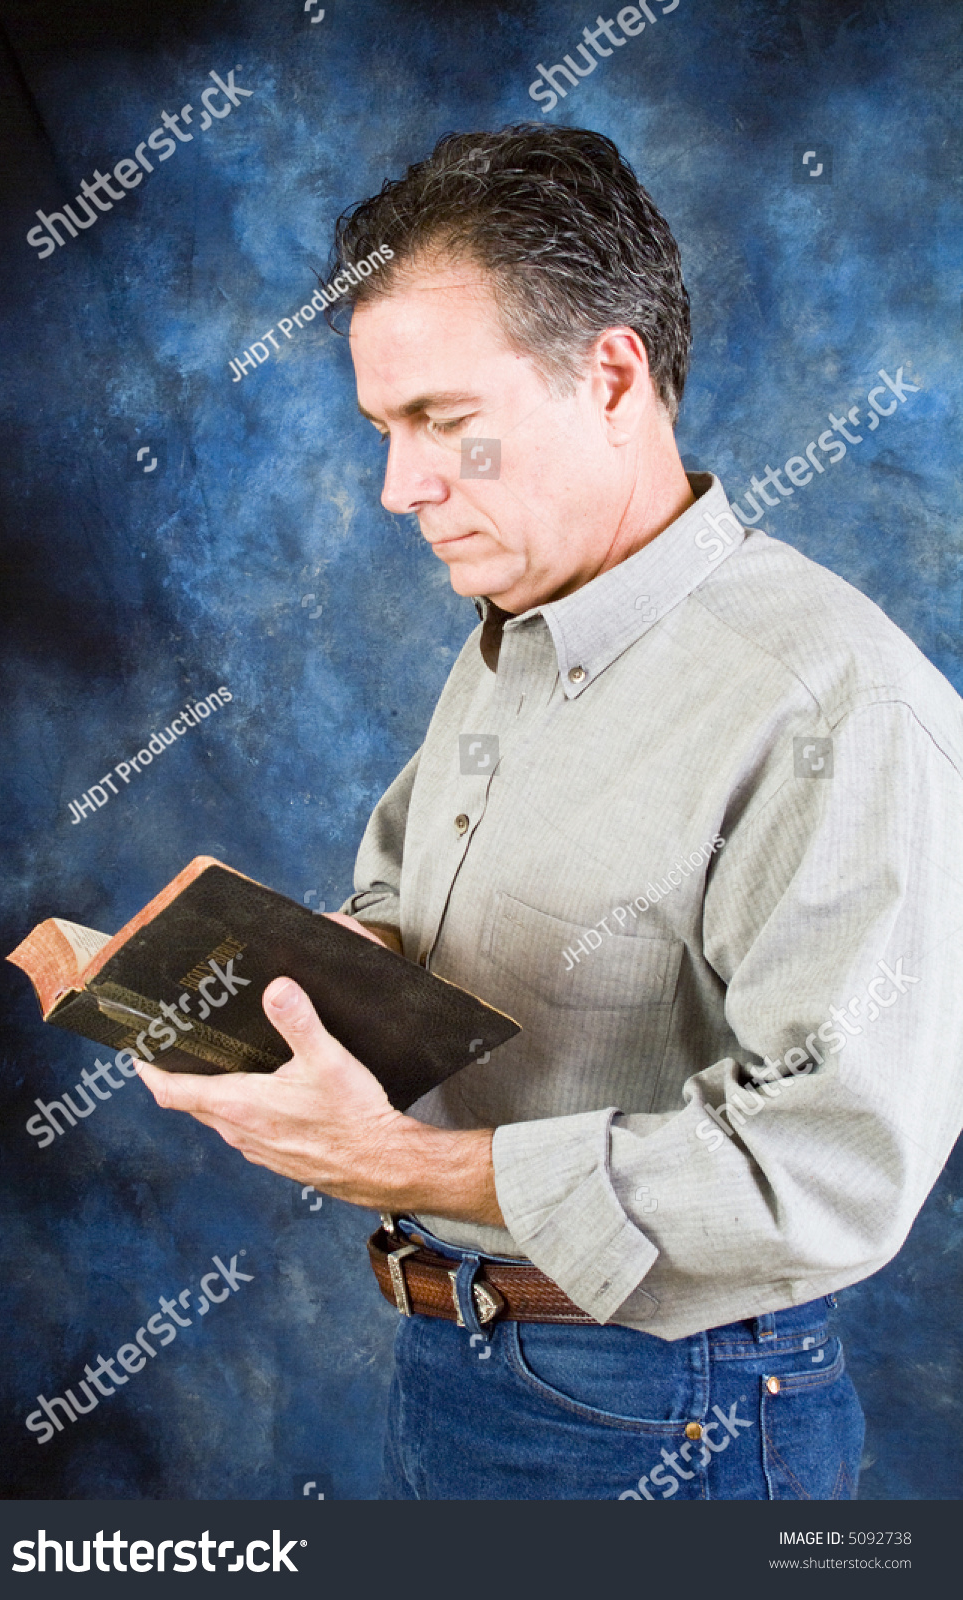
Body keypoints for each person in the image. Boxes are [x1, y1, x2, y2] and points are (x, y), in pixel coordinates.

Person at [137, 125, 963, 1501]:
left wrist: (399, 1160)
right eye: (384, 433)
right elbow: (418, 906)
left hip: (674, 1423)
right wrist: (313, 968)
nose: (401, 491)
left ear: (613, 374)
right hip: (463, 1367)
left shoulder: (839, 707)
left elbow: (821, 1173)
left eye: (448, 428)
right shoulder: (521, 622)